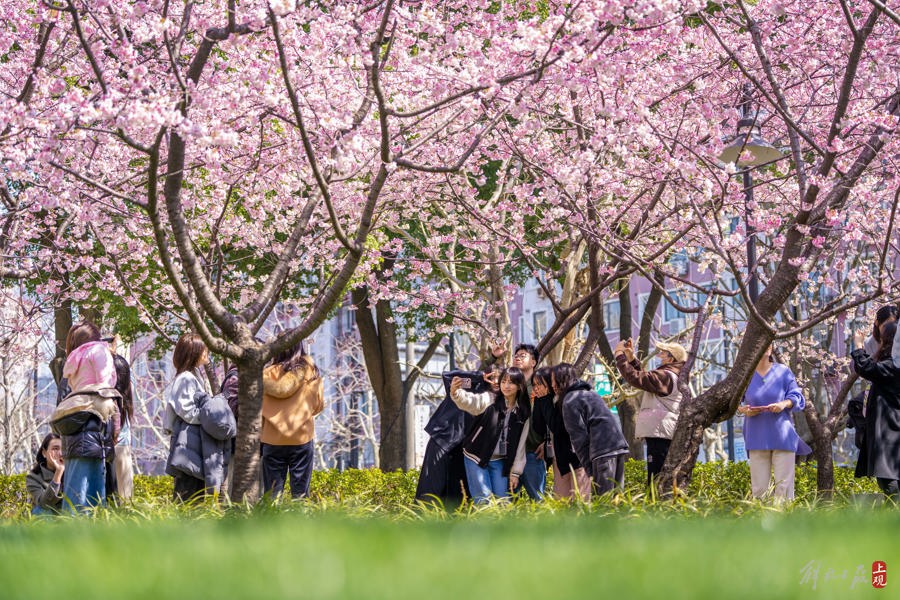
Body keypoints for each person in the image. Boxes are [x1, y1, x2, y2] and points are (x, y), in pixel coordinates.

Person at [50, 321, 119, 511]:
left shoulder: (74, 358)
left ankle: (69, 535)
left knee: (74, 491)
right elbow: (105, 386)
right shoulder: (99, 350)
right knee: (93, 495)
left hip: (74, 427)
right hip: (93, 425)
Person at [164, 333, 236, 501]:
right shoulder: (185, 378)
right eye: (203, 350)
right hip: (189, 442)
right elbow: (187, 411)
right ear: (194, 352)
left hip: (194, 442)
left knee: (195, 490)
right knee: (188, 492)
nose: (206, 353)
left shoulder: (194, 375)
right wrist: (210, 418)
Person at [737, 344, 811, 501]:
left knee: (784, 489)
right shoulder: (745, 375)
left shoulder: (783, 371)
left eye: (767, 344)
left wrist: (783, 404)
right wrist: (744, 410)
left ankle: (785, 524)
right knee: (759, 491)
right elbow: (733, 402)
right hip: (756, 436)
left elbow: (797, 396)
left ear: (771, 348)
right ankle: (762, 525)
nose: (764, 347)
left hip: (782, 436)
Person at [614, 339, 686, 485]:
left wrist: (619, 356)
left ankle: (656, 505)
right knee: (661, 475)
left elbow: (636, 378)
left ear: (671, 358)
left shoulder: (665, 376)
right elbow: (646, 378)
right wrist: (631, 359)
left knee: (656, 477)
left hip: (660, 433)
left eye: (663, 353)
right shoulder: (673, 376)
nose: (660, 355)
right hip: (664, 431)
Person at [454, 367, 530, 503]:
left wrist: (516, 473)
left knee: (503, 501)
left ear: (519, 386)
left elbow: (521, 445)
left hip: (500, 461)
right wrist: (457, 393)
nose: (506, 386)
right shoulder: (490, 399)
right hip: (476, 456)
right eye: (503, 381)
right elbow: (471, 401)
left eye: (511, 382)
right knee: (483, 499)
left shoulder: (523, 412)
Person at [260, 340, 324, 499]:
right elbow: (318, 405)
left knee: (272, 494)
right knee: (300, 494)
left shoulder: (267, 374)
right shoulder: (312, 373)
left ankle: (272, 523)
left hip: (271, 439)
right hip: (301, 438)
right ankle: (300, 523)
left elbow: (256, 405)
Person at [556, 363, 629, 496]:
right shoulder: (590, 393)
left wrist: (589, 469)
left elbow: (579, 438)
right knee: (618, 500)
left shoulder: (570, 400)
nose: (552, 386)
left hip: (602, 452)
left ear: (559, 381)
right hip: (618, 446)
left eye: (552, 381)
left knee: (603, 503)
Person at [851, 322, 900, 500]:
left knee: (889, 483)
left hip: (889, 431)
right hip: (891, 431)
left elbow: (866, 367)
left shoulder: (892, 366)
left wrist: (858, 345)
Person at [531, 366, 591, 499]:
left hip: (577, 457)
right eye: (534, 384)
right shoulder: (545, 400)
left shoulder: (564, 399)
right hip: (559, 458)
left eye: (539, 384)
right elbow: (538, 427)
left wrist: (545, 400)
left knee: (580, 500)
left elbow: (557, 426)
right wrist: (539, 402)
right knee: (562, 501)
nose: (536, 388)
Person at [512, 344, 547, 500]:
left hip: (533, 452)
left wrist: (548, 441)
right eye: (516, 355)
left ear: (533, 362)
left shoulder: (541, 385)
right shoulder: (510, 385)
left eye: (523, 355)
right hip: (511, 453)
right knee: (507, 501)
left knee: (538, 501)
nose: (518, 357)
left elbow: (550, 414)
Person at [111, 346, 135, 500]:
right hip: (124, 448)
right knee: (125, 499)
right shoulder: (126, 398)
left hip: (111, 449)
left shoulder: (108, 396)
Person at [26, 433, 65, 515]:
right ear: (44, 453)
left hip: (70, 518)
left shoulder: (72, 471)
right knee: (40, 511)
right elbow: (44, 505)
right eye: (55, 448)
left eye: (64, 449)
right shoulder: (33, 477)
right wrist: (58, 472)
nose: (61, 453)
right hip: (48, 519)